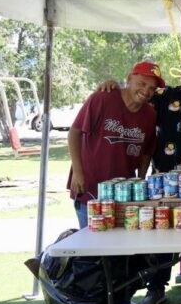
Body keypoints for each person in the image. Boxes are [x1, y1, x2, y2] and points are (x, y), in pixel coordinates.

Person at [97, 55, 181, 304]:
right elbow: (133, 97)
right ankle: (156, 289)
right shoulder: (164, 96)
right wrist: (111, 85)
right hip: (162, 183)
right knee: (162, 233)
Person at [68, 61, 162, 229]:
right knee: (90, 245)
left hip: (123, 194)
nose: (146, 91)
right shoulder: (102, 98)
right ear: (129, 79)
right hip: (90, 189)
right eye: (142, 84)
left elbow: (146, 152)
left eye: (152, 88)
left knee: (119, 249)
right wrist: (77, 171)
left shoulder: (150, 114)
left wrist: (139, 181)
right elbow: (74, 133)